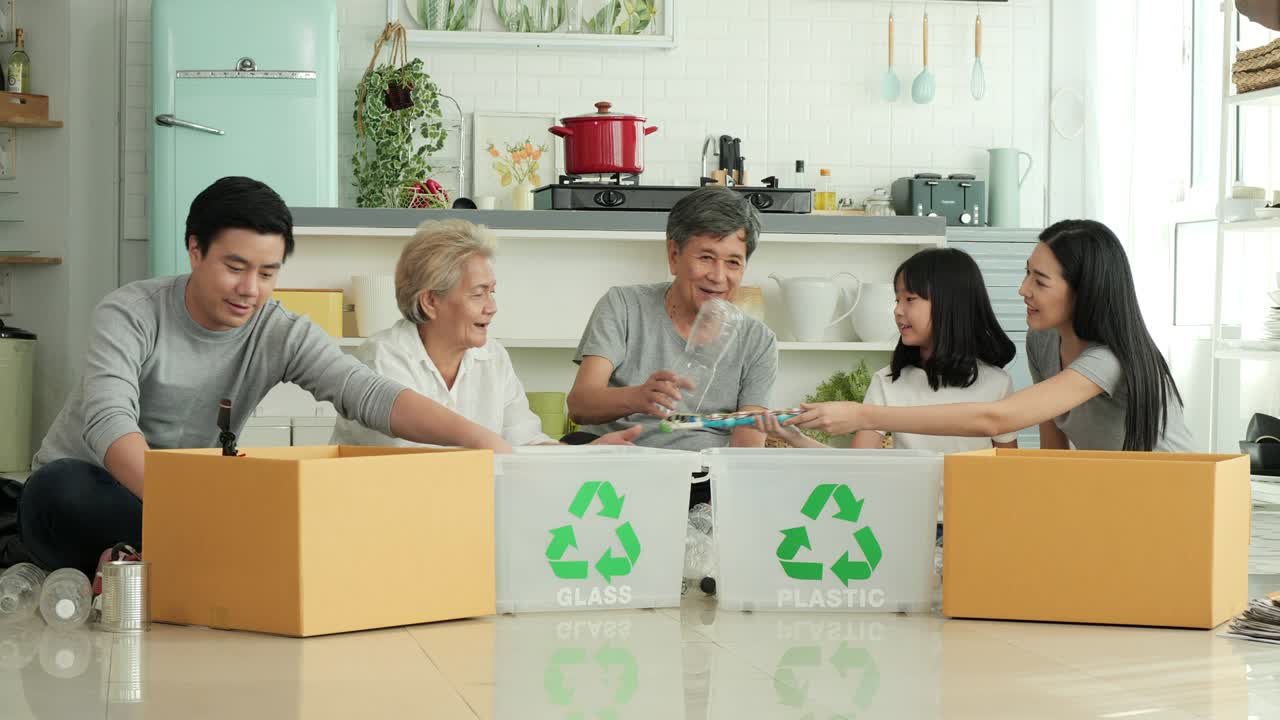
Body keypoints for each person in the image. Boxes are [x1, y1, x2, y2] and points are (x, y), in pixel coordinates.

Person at [18, 177, 513, 577]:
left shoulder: (280, 331)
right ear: (195, 250)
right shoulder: (130, 312)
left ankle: (142, 560)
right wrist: (192, 513)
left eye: (268, 272)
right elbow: (108, 421)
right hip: (98, 487)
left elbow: (366, 392)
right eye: (235, 267)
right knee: (56, 491)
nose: (250, 290)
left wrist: (480, 438)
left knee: (295, 509)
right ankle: (161, 552)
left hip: (192, 499)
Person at [785, 220, 1194, 453]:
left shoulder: (1109, 359)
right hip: (1118, 494)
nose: (1022, 289)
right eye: (1025, 272)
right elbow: (1051, 455)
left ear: (1082, 290)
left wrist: (863, 415)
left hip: (1171, 495)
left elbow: (997, 418)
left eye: (1040, 280)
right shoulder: (1045, 342)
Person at [331, 219, 640, 448]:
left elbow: (525, 441)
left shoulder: (492, 357)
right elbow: (411, 465)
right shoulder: (382, 358)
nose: (491, 308)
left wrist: (587, 455)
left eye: (492, 293)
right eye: (478, 294)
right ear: (430, 301)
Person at [566, 185, 779, 504]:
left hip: (703, 481)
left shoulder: (758, 340)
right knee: (574, 446)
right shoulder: (623, 306)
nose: (719, 277)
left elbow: (746, 445)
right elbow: (580, 405)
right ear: (674, 256)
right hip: (620, 468)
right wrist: (637, 397)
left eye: (733, 263)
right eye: (706, 257)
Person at [758, 247, 1019, 453]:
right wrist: (794, 438)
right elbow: (855, 468)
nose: (897, 310)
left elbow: (1008, 472)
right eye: (897, 299)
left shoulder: (996, 384)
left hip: (972, 520)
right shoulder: (888, 382)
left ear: (950, 305)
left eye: (910, 299)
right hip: (906, 517)